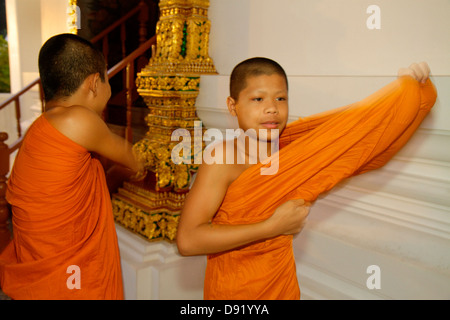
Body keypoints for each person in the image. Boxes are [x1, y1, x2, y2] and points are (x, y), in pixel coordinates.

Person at [176, 57, 436, 299]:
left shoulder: (292, 149)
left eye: (280, 98)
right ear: (233, 106)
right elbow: (188, 240)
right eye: (257, 99)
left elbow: (368, 148)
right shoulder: (223, 158)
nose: (271, 109)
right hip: (235, 288)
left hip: (281, 281)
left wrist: (410, 93)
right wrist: (271, 228)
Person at [0, 33, 145, 299]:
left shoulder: (40, 127)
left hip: (41, 263)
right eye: (107, 80)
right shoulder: (78, 120)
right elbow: (134, 158)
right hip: (70, 275)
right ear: (93, 83)